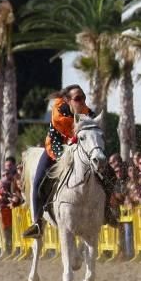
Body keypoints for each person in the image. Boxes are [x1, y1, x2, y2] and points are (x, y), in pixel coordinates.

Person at [23, 85, 119, 238]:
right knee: (38, 181)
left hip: (79, 151)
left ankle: (107, 211)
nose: (82, 101)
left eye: (83, 98)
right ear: (67, 99)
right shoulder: (58, 110)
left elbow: (93, 129)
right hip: (55, 149)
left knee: (110, 173)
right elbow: (67, 129)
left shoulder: (86, 112)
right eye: (78, 98)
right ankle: (37, 223)